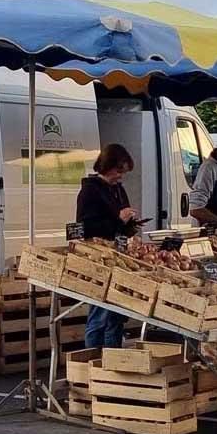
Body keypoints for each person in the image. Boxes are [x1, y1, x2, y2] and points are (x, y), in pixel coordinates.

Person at [77, 144, 141, 349]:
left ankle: (113, 359)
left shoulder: (118, 189)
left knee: (116, 316)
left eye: (123, 172)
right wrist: (119, 220)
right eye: (119, 171)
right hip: (99, 260)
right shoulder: (90, 191)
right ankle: (91, 361)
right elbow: (85, 228)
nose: (121, 177)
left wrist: (132, 224)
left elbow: (122, 222)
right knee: (99, 315)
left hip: (118, 259)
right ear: (107, 166)